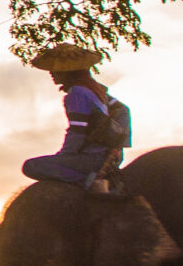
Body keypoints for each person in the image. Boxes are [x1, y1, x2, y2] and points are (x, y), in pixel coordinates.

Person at [20, 44, 129, 192]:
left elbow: (77, 131)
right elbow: (123, 110)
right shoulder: (97, 92)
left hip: (91, 158)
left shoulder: (77, 93)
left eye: (57, 69)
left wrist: (65, 155)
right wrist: (117, 147)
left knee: (31, 166)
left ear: (68, 72)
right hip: (107, 157)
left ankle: (87, 181)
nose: (52, 73)